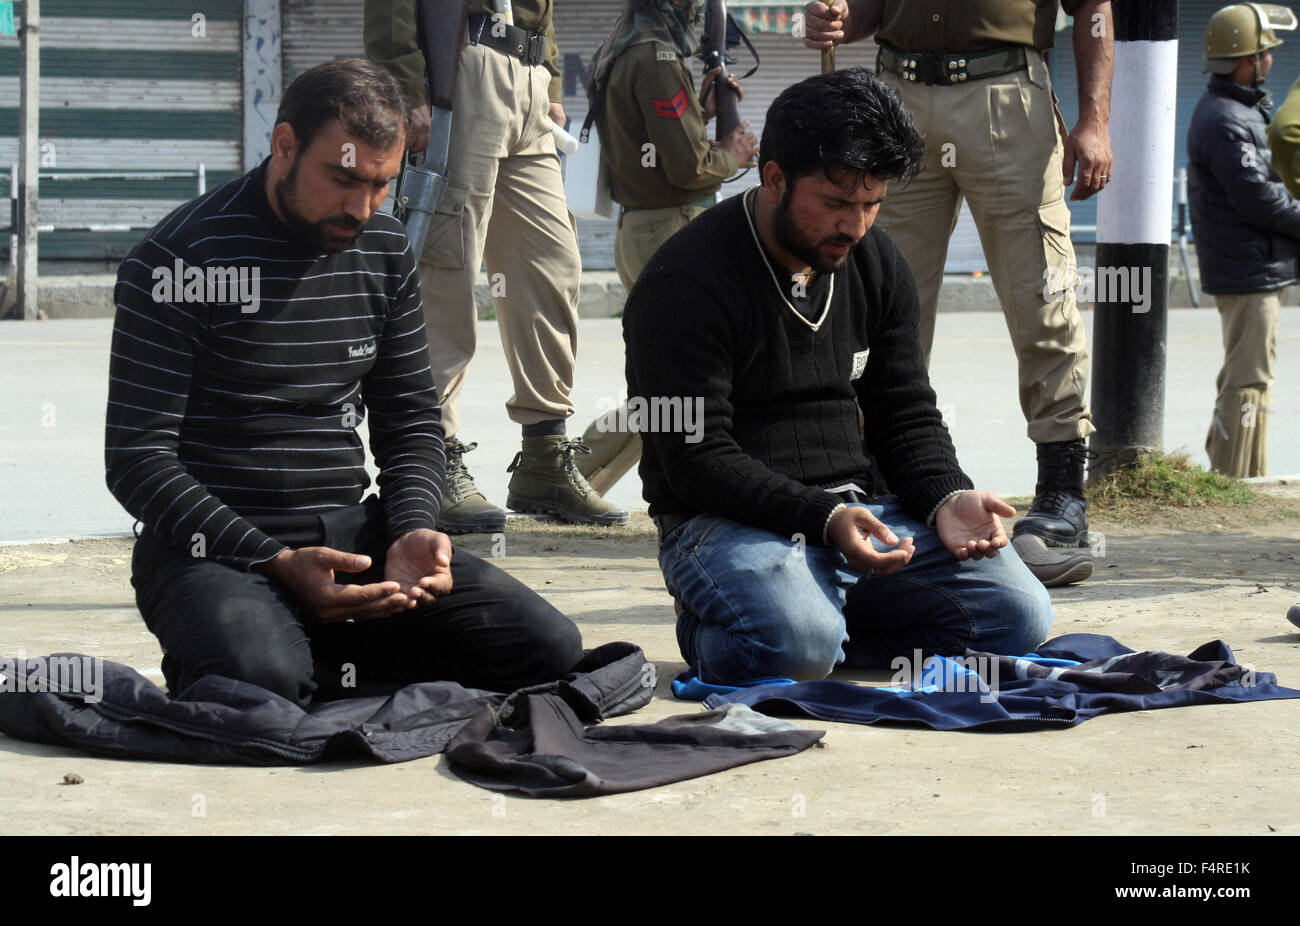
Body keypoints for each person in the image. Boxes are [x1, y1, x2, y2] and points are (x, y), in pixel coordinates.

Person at [105, 59, 584, 707]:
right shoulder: (178, 260)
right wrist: (274, 562)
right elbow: (137, 461)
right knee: (261, 685)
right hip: (217, 553)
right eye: (343, 179)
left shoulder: (383, 249)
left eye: (382, 186)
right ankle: (289, 656)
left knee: (548, 649)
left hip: (353, 538)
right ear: (284, 146)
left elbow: (411, 419)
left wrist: (414, 527)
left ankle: (316, 656)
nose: (360, 208)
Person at [624, 68, 1054, 685]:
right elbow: (696, 458)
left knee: (1020, 615)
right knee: (794, 649)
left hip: (865, 513)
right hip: (727, 521)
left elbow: (905, 410)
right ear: (774, 179)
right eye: (836, 203)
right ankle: (739, 624)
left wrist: (945, 496)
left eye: (872, 203)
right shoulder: (684, 283)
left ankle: (825, 628)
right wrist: (821, 519)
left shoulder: (876, 262)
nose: (855, 225)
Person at [803, 0, 1114, 588]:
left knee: (1042, 299)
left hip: (1007, 96)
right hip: (899, 95)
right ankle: (886, 487)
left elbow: (1093, 8)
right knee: (881, 304)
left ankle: (1061, 493)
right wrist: (839, 22)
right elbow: (871, 11)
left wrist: (1094, 118)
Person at [365, 0, 629, 532]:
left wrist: (550, 84)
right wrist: (407, 87)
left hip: (527, 76)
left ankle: (544, 456)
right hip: (463, 66)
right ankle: (431, 458)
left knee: (550, 265)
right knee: (448, 270)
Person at [574, 0, 760, 495]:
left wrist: (702, 113)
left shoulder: (628, 47)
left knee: (678, 380)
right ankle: (573, 474)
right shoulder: (655, 58)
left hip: (646, 228)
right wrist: (732, 153)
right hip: (671, 229)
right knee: (684, 384)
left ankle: (576, 475)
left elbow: (652, 141)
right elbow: (686, 167)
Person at [1191, 3, 1299, 478]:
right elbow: (1262, 201)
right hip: (1249, 270)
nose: (1271, 60)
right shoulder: (1227, 119)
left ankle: (1237, 475)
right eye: (1266, 52)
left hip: (1253, 266)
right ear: (1246, 59)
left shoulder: (1236, 111)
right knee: (1248, 380)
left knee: (1247, 376)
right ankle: (1238, 479)